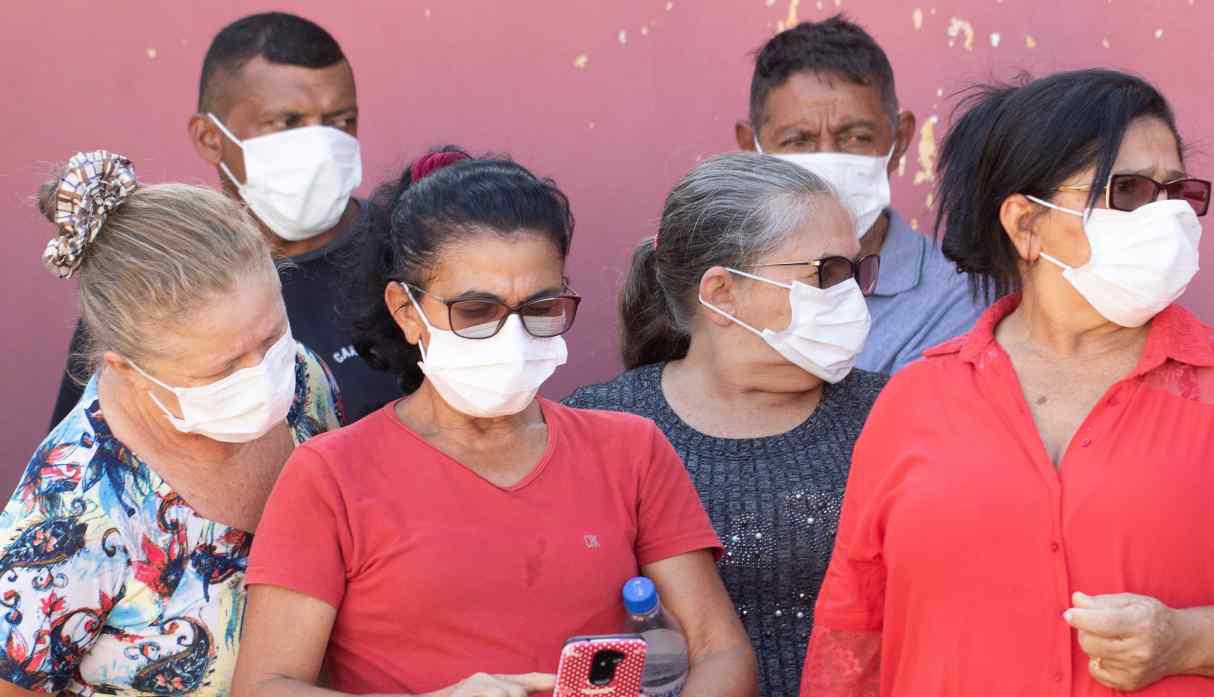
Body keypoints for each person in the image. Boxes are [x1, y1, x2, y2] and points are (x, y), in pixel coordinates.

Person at [230, 150, 757, 697]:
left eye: (540, 307)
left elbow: (720, 652)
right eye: (475, 311)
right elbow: (265, 686)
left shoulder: (629, 451)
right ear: (406, 312)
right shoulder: (330, 475)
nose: (513, 336)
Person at [802, 69, 1214, 697]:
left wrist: (1188, 640)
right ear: (1025, 223)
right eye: (1128, 191)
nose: (1167, 218)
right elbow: (853, 635)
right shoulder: (914, 401)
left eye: (1177, 192)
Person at [0, 151, 340, 696]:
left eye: (272, 335)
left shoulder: (301, 378)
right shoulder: (70, 516)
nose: (263, 374)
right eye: (223, 368)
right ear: (126, 370)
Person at [565, 152, 886, 697]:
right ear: (721, 293)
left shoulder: (893, 413)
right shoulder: (600, 427)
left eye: (857, 271)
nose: (851, 294)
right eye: (827, 273)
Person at [49, 12, 400, 427]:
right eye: (287, 123)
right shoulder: (155, 280)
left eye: (341, 121)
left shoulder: (407, 250)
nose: (323, 147)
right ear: (209, 138)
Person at [737, 15, 983, 374]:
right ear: (751, 148)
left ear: (900, 140)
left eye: (856, 138)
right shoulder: (724, 286)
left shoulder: (957, 298)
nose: (827, 166)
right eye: (797, 141)